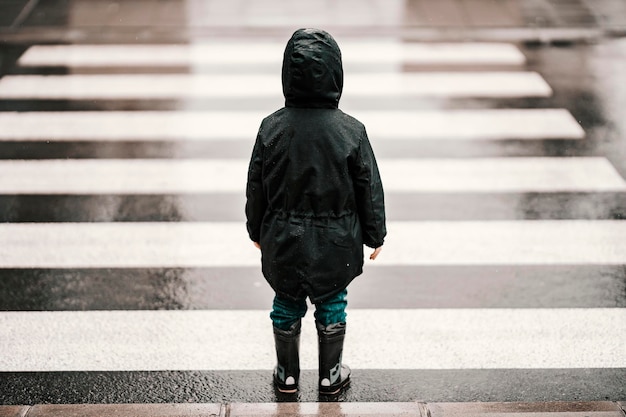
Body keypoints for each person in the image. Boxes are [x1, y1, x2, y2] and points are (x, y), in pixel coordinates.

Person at [245, 28, 386, 396]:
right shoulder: (351, 132)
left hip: (283, 239)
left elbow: (256, 185)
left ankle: (288, 375)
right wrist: (375, 234)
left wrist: (255, 230)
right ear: (336, 75)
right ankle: (330, 374)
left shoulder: (271, 128)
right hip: (335, 242)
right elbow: (368, 187)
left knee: (286, 302)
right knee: (332, 302)